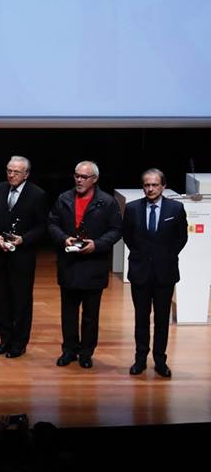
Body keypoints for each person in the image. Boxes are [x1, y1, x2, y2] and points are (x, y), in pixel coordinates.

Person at [48, 160, 122, 369]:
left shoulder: (107, 202)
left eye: (84, 177)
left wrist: (96, 245)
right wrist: (64, 238)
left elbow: (116, 230)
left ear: (94, 179)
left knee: (91, 315)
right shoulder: (64, 198)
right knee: (68, 313)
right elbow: (52, 224)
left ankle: (86, 353)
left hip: (93, 265)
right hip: (69, 264)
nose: (79, 180)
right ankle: (69, 350)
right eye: (77, 176)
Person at [122, 168, 187, 378]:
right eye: (147, 185)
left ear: (163, 186)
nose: (150, 189)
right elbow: (128, 236)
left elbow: (181, 238)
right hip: (140, 271)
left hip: (165, 272)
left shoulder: (176, 208)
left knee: (161, 320)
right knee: (141, 319)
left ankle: (160, 360)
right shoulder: (132, 208)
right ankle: (140, 359)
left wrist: (165, 255)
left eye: (154, 185)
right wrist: (142, 255)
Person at [0, 156, 47, 358]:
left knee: (21, 301)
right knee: (0, 299)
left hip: (22, 257)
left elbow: (42, 227)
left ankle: (19, 343)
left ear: (26, 174)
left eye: (16, 172)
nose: (11, 175)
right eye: (9, 171)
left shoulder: (37, 194)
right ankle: (5, 340)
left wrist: (24, 239)